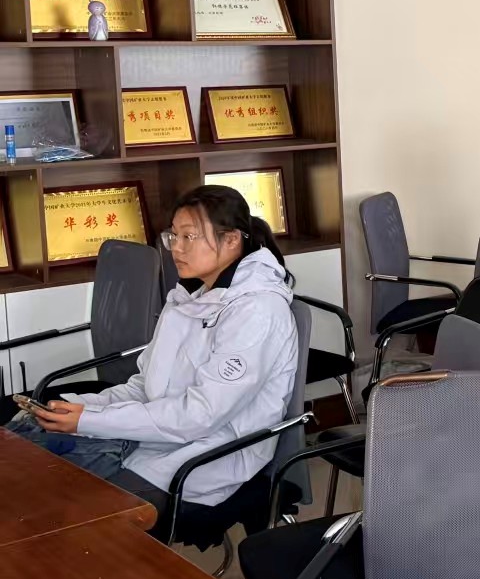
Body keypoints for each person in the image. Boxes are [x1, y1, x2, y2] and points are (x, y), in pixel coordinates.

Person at [7, 185, 299, 515]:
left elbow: (199, 417)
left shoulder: (258, 311)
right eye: (173, 236)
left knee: (61, 508)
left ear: (231, 240)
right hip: (155, 440)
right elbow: (145, 387)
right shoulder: (190, 298)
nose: (177, 248)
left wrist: (89, 421)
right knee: (27, 471)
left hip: (206, 459)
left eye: (189, 237)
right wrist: (81, 408)